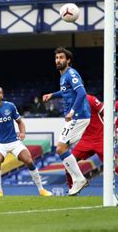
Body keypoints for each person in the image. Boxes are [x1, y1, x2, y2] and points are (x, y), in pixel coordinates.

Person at [0, 85, 52, 197]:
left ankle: (41, 190)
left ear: (2, 95)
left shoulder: (10, 106)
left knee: (29, 160)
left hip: (14, 142)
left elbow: (20, 122)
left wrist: (22, 133)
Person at [42, 47, 90, 196]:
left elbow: (81, 92)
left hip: (78, 116)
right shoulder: (63, 76)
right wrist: (52, 95)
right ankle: (78, 179)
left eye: (61, 57)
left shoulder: (71, 73)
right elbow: (65, 92)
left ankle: (79, 179)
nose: (58, 60)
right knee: (61, 148)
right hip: (74, 117)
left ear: (68, 60)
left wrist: (72, 111)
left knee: (60, 148)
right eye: (56, 58)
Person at [65, 94, 104, 191]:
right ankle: (72, 190)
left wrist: (113, 132)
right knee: (68, 164)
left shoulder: (91, 99)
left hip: (101, 138)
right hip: (86, 139)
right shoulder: (71, 102)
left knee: (114, 166)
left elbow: (107, 114)